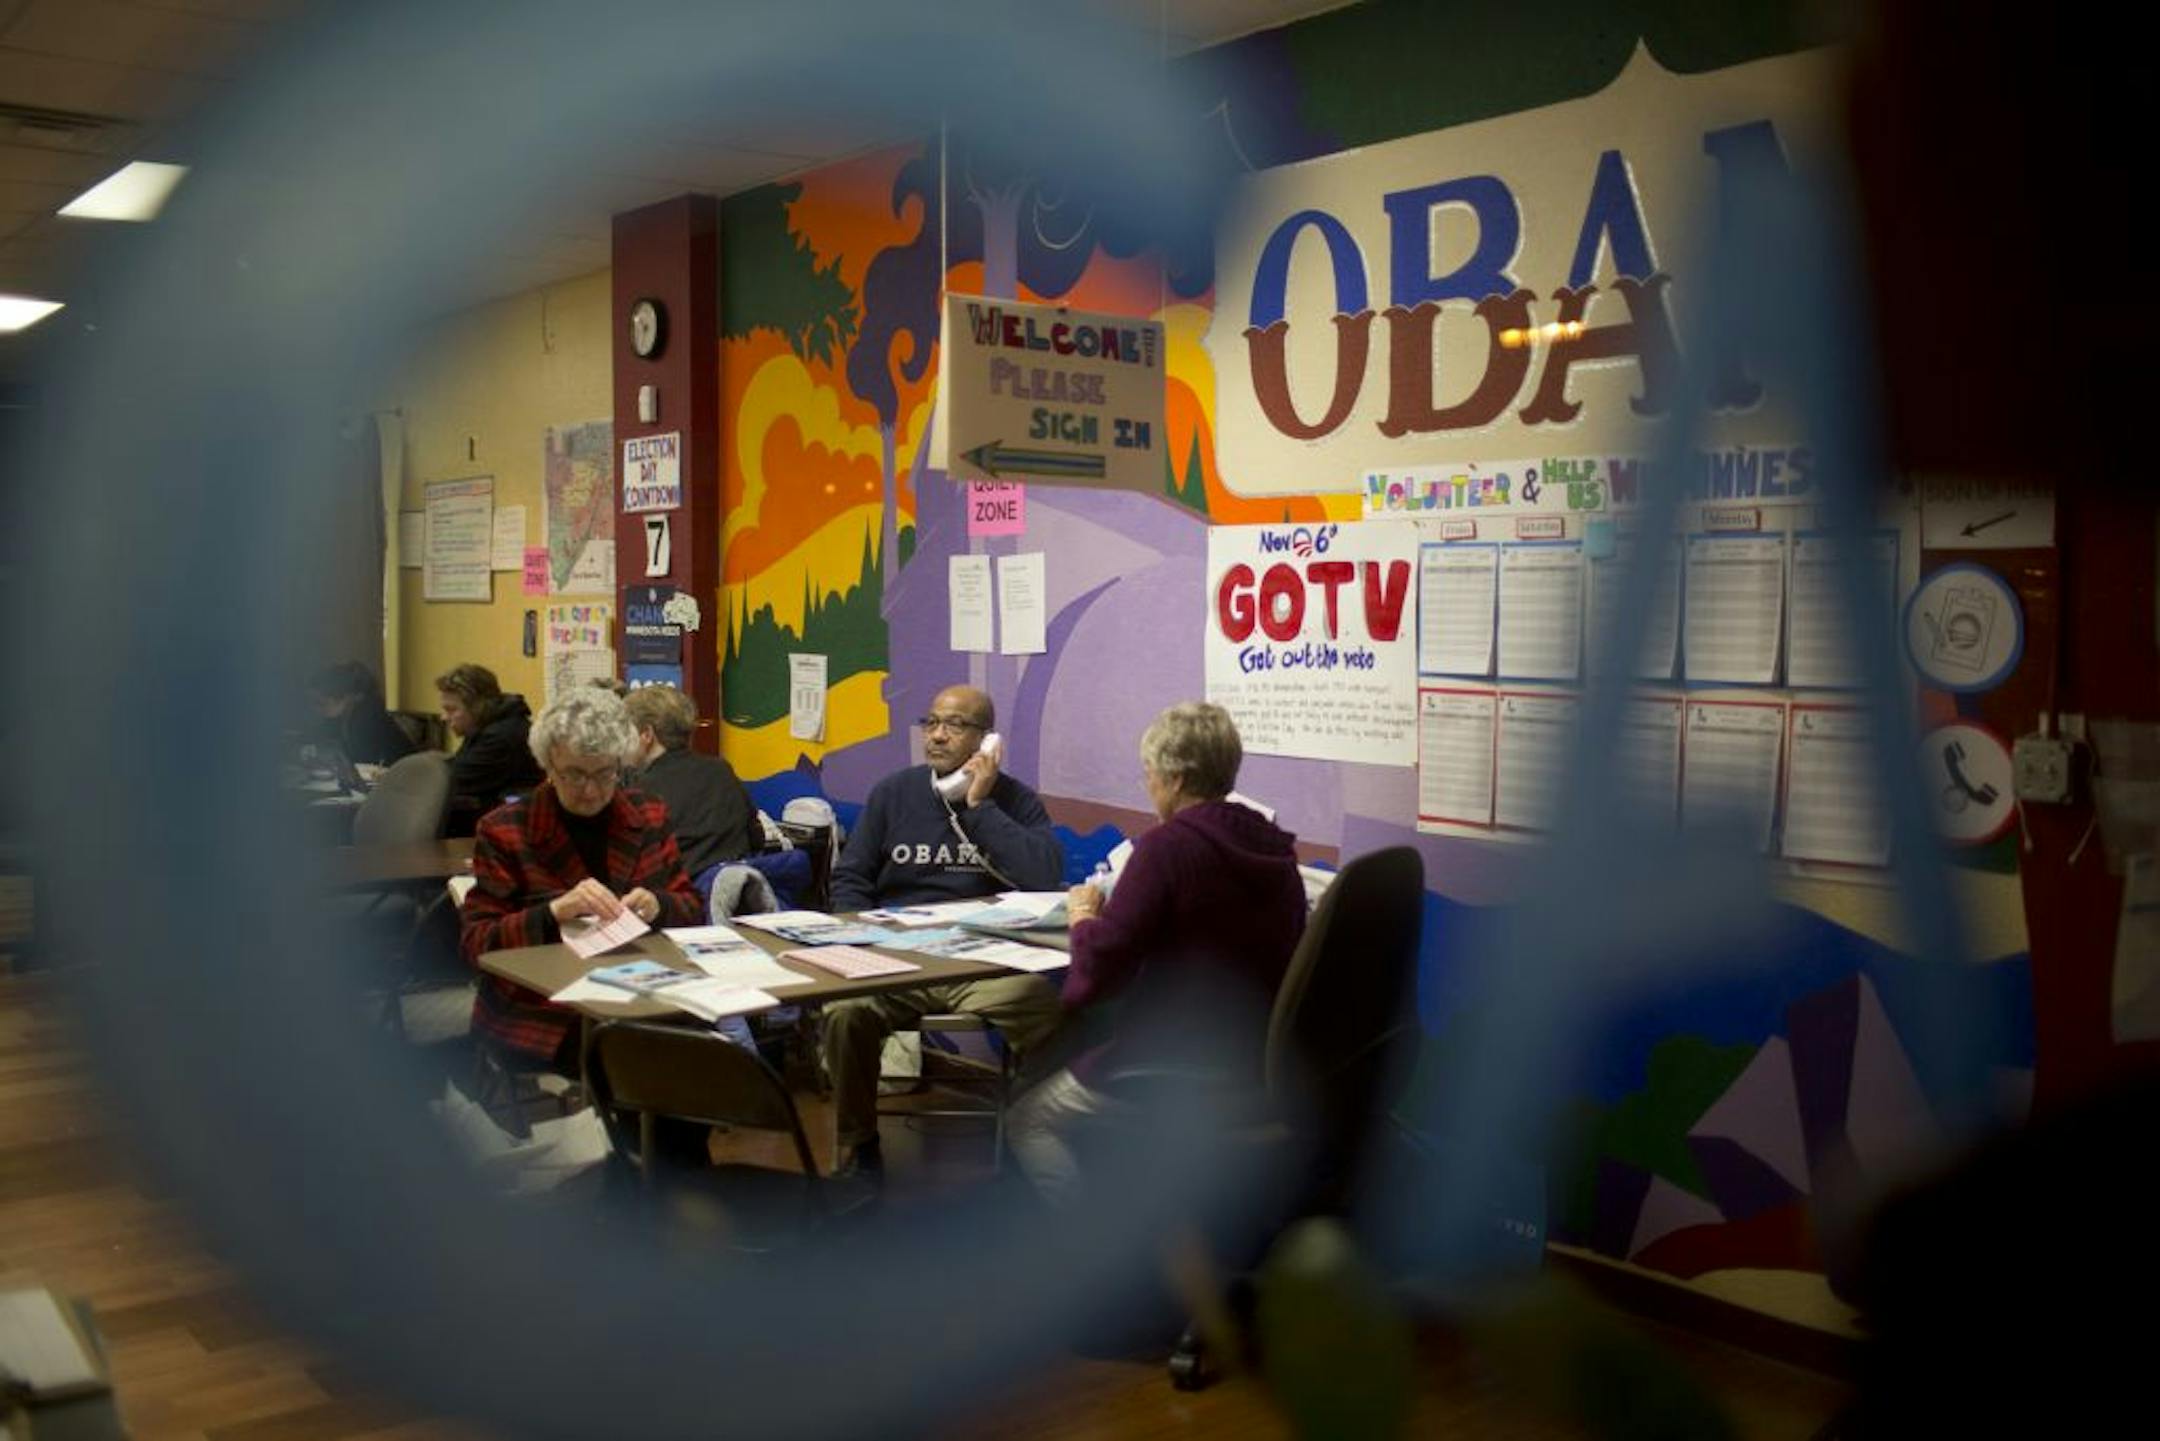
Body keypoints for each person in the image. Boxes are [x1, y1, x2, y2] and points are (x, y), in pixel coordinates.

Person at [1007, 702, 1306, 1207]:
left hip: (1169, 1066)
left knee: (1028, 1119)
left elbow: (1099, 972)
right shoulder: (1275, 850)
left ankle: (1081, 1247)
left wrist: (1082, 918)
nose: (1148, 786)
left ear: (1174, 777)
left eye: (1149, 774)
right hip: (1256, 1062)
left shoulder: (1166, 848)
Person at [822, 684, 1065, 1183]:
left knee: (1041, 1004)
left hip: (980, 962)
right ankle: (858, 1143)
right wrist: (859, 937)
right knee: (844, 1011)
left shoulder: (1014, 801)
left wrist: (979, 807)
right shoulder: (894, 793)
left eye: (953, 726)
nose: (936, 736)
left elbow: (1043, 876)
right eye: (930, 723)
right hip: (896, 959)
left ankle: (1029, 1130)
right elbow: (850, 877)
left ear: (986, 740)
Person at [458, 687, 705, 1073]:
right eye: (573, 774)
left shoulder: (648, 813)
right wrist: (553, 912)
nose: (590, 791)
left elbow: (691, 908)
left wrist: (659, 906)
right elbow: (477, 944)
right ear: (547, 766)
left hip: (644, 990)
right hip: (545, 1006)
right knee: (633, 1062)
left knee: (699, 1049)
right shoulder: (506, 830)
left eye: (604, 773)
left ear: (620, 764)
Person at [622, 684, 758, 881]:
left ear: (646, 735)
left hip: (677, 902)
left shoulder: (640, 794)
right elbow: (755, 838)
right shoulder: (722, 771)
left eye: (626, 732)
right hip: (735, 896)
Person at [436, 663, 544, 837]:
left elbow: (446, 784)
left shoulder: (501, 739)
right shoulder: (488, 728)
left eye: (451, 710)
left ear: (477, 707)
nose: (444, 717)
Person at [307, 661, 415, 768]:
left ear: (344, 697)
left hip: (401, 773)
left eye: (321, 703)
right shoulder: (343, 714)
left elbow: (362, 759)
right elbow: (322, 736)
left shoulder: (368, 714)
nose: (316, 709)